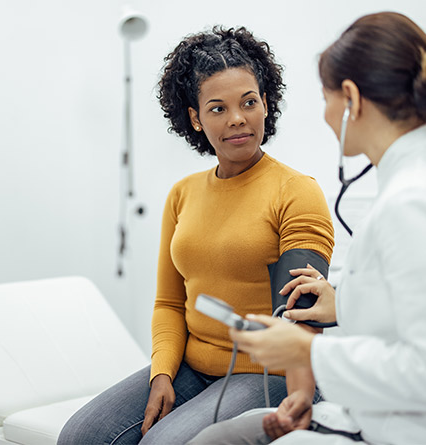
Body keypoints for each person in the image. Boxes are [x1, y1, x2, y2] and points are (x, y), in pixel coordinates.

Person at [189, 11, 426, 445]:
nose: (327, 115)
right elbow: (425, 311)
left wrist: (308, 351)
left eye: (326, 98)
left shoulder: (416, 204)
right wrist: (345, 304)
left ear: (351, 98)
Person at [57, 26, 334, 444]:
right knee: (82, 435)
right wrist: (162, 374)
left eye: (249, 102)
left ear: (265, 104)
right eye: (218, 108)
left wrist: (300, 394)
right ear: (195, 118)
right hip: (191, 366)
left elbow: (299, 318)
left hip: (267, 371)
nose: (237, 118)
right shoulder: (182, 195)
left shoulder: (295, 191)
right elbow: (169, 302)